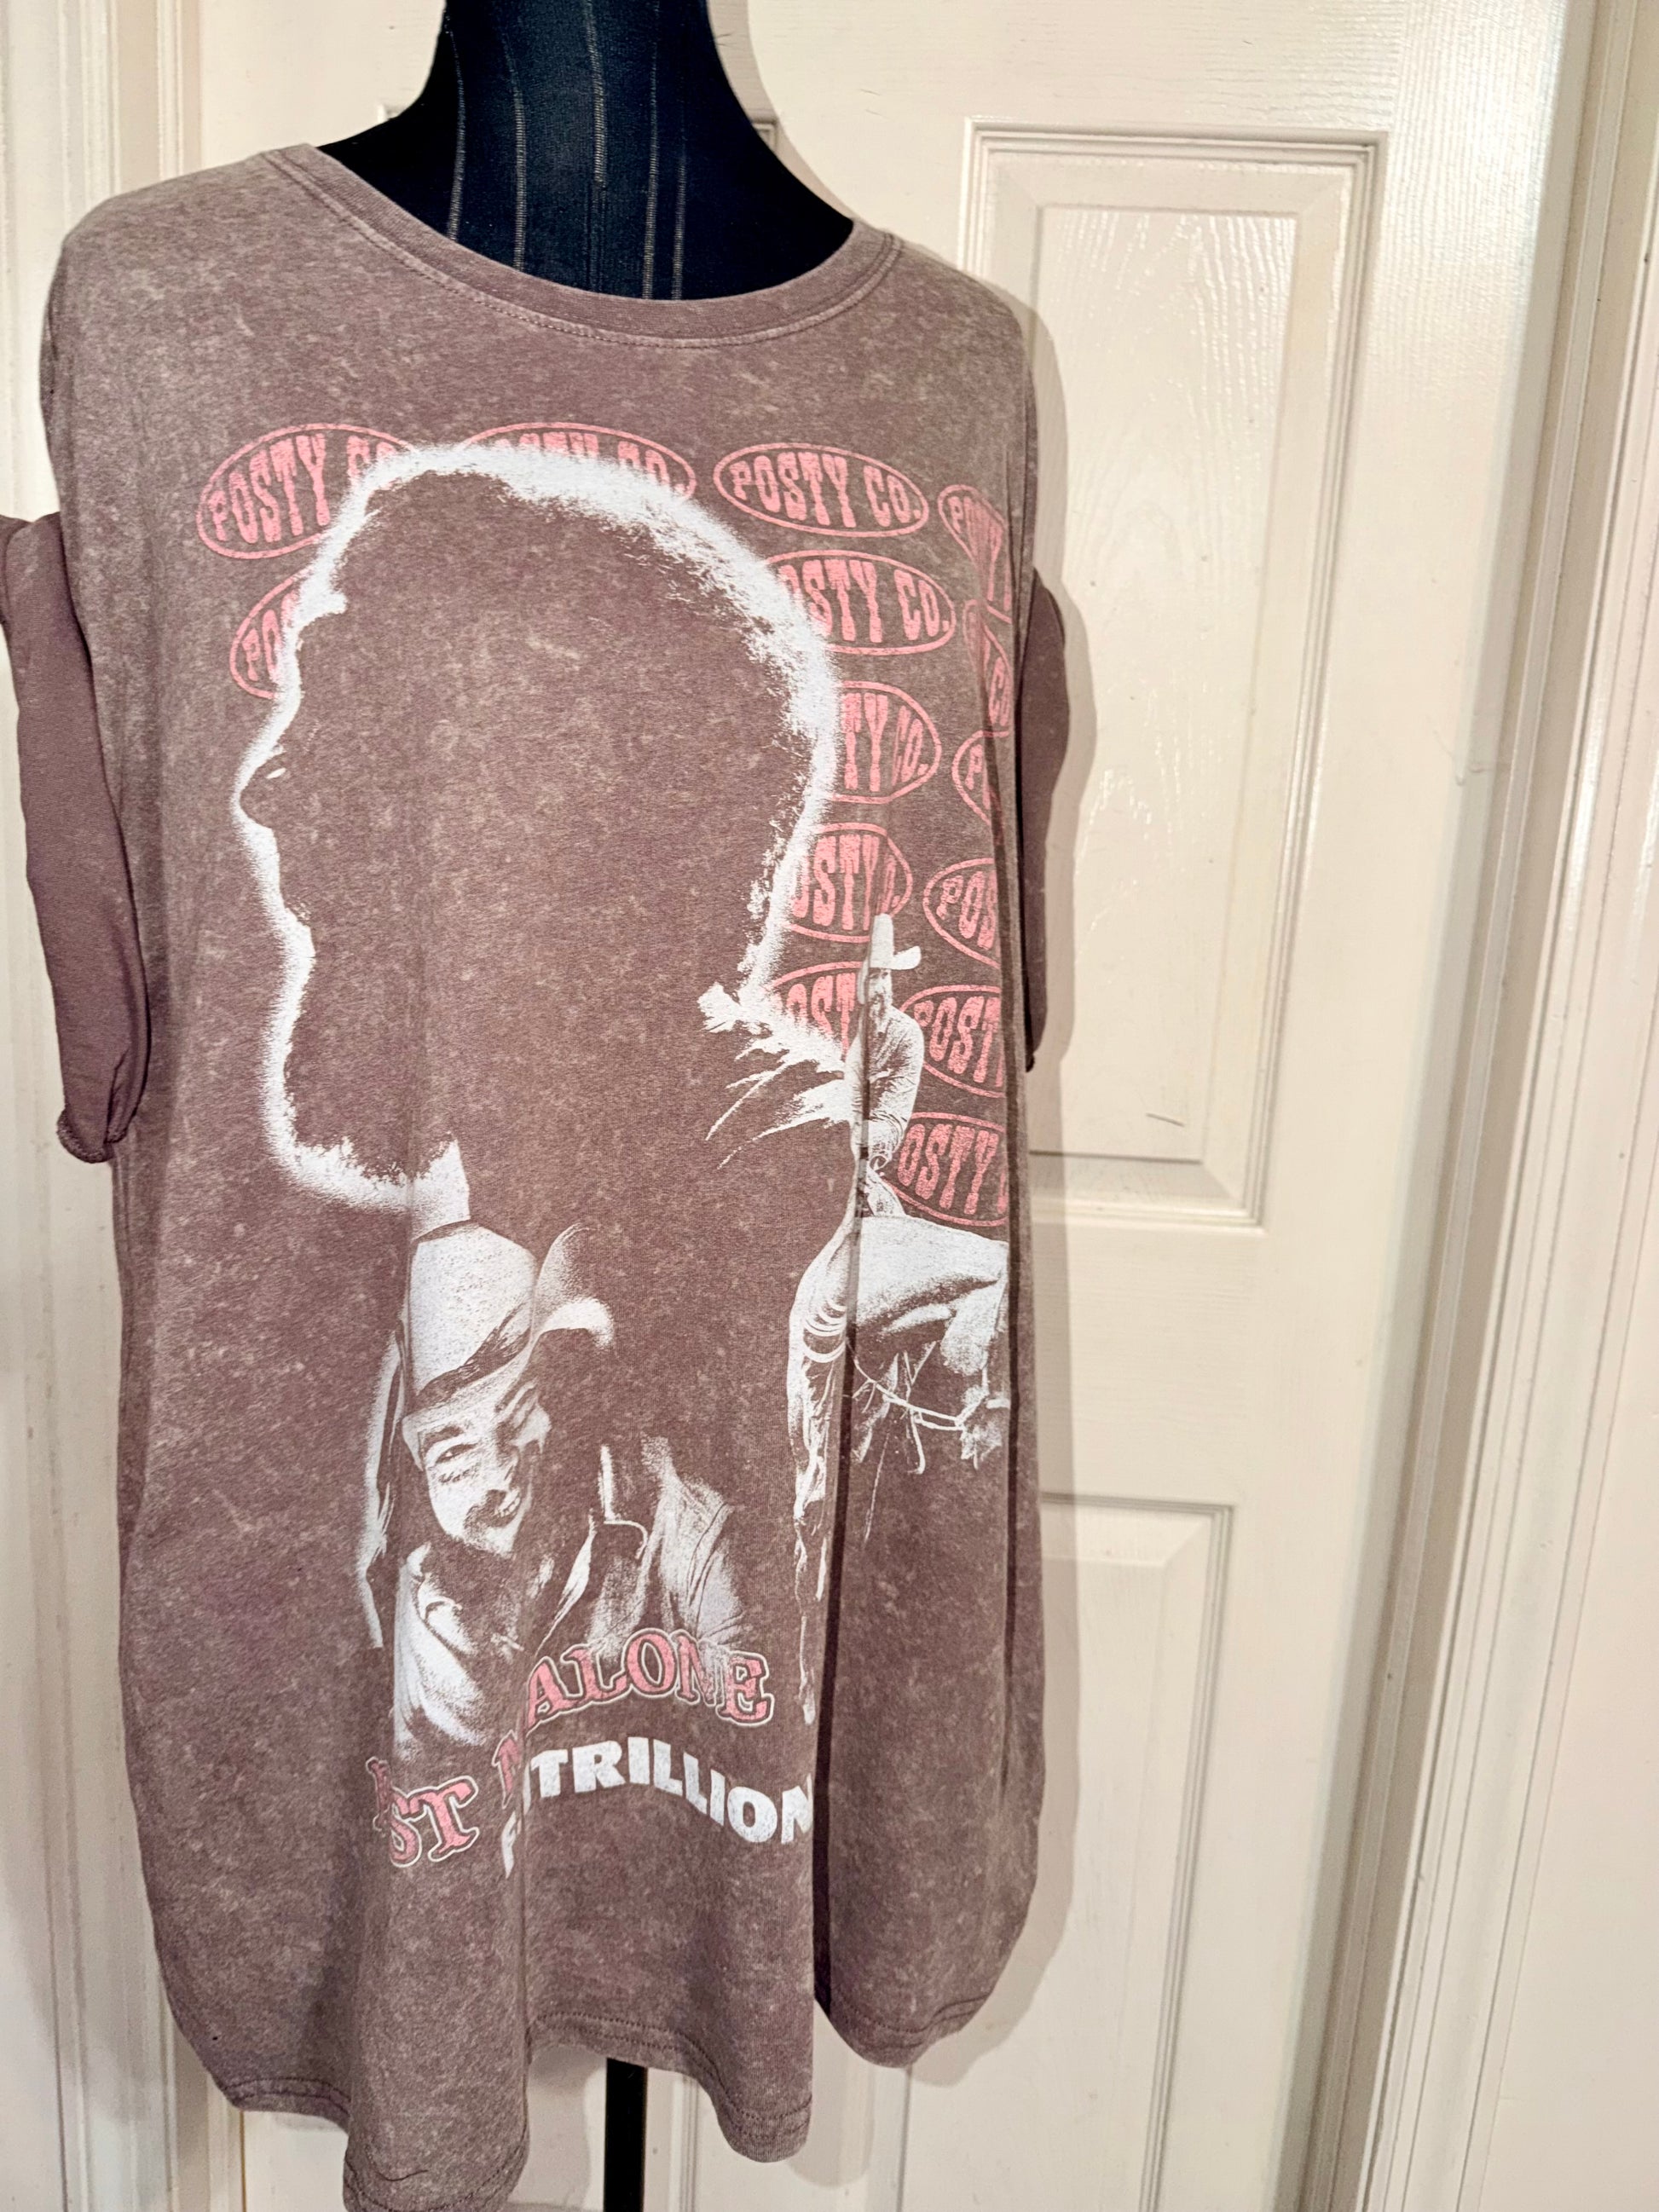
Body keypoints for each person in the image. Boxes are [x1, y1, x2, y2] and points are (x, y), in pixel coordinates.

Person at [234, 442, 856, 1758]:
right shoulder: (489, 1192)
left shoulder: (774, 1205)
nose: (268, 783)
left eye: (350, 712)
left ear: (558, 795)